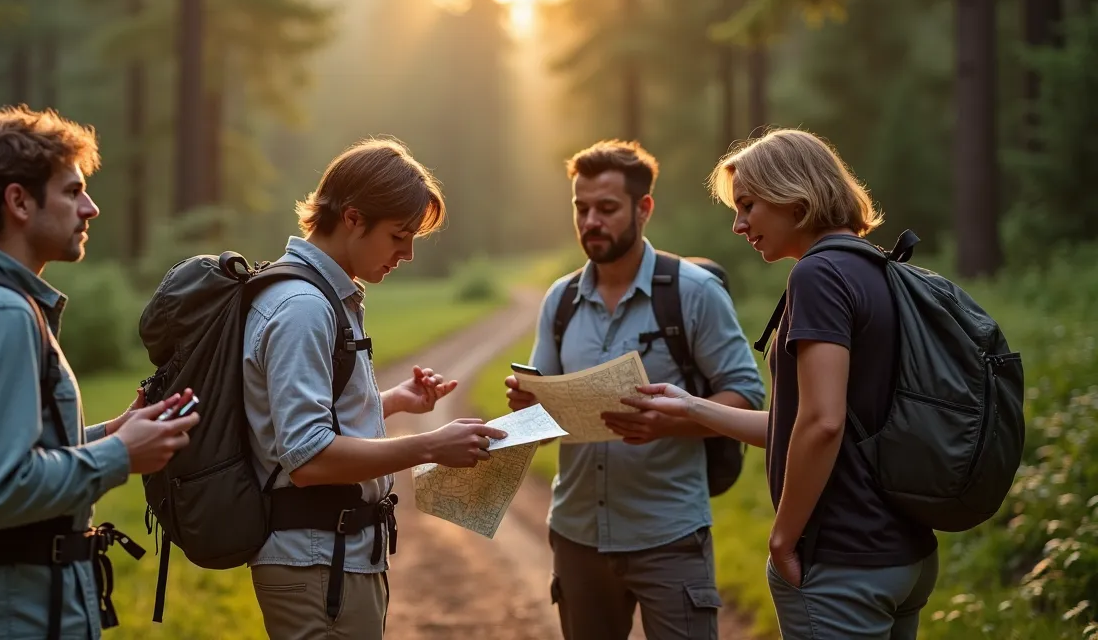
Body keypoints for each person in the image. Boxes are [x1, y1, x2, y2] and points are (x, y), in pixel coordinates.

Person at [626, 128, 940, 639]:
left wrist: (784, 538)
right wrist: (693, 408)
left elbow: (822, 423)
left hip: (842, 556)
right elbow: (807, 421)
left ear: (795, 196)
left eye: (748, 204)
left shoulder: (817, 276)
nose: (737, 224)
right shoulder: (876, 268)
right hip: (904, 554)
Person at [0, 106, 201, 639]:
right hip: (13, 617)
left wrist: (111, 433)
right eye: (72, 192)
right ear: (18, 201)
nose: (90, 208)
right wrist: (120, 455)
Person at [243, 138, 508, 640]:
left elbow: (300, 424)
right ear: (352, 217)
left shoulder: (323, 295)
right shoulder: (303, 307)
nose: (407, 253)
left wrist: (392, 402)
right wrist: (430, 444)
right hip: (317, 562)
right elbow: (307, 458)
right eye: (399, 235)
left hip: (332, 559)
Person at [503, 140, 765, 640]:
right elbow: (537, 423)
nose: (590, 222)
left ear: (643, 208)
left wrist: (676, 419)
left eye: (606, 209)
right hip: (576, 537)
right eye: (581, 209)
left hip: (669, 536)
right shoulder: (559, 300)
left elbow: (746, 393)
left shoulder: (693, 292)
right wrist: (530, 406)